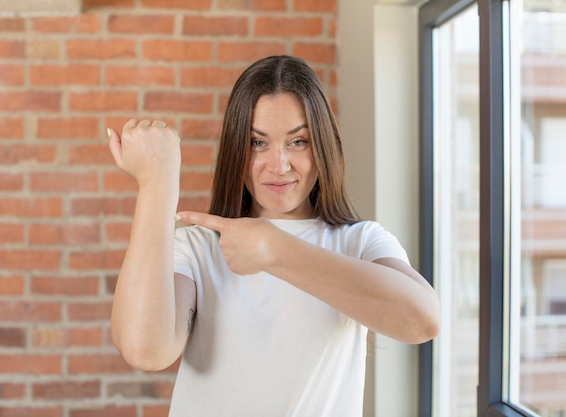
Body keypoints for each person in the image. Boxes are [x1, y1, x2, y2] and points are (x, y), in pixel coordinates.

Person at [108, 55, 440, 416]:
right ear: (237, 148)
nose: (278, 165)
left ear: (322, 147)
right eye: (257, 143)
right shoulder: (198, 247)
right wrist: (157, 184)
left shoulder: (360, 243)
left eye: (298, 142)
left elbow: (422, 321)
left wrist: (275, 249)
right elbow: (145, 349)